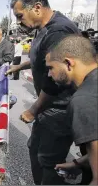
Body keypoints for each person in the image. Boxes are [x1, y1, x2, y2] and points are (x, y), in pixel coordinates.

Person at [5, 0, 81, 185]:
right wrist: (20, 66)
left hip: (60, 109)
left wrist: (33, 109)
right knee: (35, 149)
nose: (19, 22)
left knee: (49, 162)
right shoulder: (42, 29)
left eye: (20, 16)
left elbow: (57, 80)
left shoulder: (59, 31)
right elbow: (43, 58)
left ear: (37, 8)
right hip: (48, 109)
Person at [45, 35, 98, 185]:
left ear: (68, 63)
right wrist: (78, 163)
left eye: (51, 68)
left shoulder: (83, 99)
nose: (49, 75)